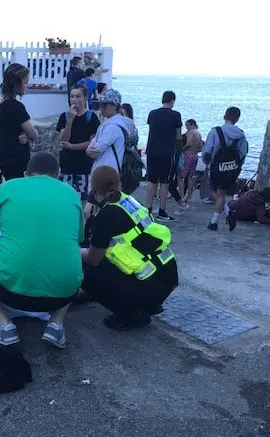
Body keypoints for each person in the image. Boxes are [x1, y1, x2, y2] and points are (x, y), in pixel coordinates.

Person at [0, 153, 84, 349]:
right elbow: (78, 240)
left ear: (26, 174)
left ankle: (3, 325)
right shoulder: (71, 194)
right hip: (62, 294)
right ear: (56, 176)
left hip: (12, 291)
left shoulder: (7, 188)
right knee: (72, 261)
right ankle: (56, 324)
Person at [81, 166, 178, 330]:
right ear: (119, 183)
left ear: (94, 188)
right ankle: (147, 305)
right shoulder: (131, 202)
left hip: (146, 285)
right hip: (167, 276)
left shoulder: (105, 216)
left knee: (83, 267)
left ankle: (129, 316)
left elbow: (93, 258)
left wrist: (74, 251)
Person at [203, 107, 249, 231]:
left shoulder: (215, 131)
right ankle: (226, 214)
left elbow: (207, 151)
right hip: (231, 168)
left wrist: (207, 163)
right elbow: (243, 153)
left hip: (215, 167)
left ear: (225, 116)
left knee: (212, 191)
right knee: (221, 193)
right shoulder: (241, 134)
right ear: (237, 119)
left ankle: (215, 222)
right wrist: (236, 167)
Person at [56, 83, 100, 200]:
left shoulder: (91, 118)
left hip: (84, 167)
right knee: (64, 200)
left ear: (85, 98)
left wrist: (72, 147)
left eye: (78, 96)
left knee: (82, 201)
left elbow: (92, 143)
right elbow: (63, 140)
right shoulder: (64, 116)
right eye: (72, 96)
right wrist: (70, 120)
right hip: (66, 167)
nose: (74, 99)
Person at [144, 91, 183, 221]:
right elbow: (178, 136)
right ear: (172, 100)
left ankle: (148, 209)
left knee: (151, 181)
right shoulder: (176, 115)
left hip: (152, 150)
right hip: (167, 152)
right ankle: (161, 211)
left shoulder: (152, 114)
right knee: (165, 182)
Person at [0, 63, 38, 181]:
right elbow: (34, 134)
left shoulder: (2, 102)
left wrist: (26, 136)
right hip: (15, 159)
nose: (26, 86)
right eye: (25, 83)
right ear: (16, 83)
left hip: (4, 155)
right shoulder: (16, 106)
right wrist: (28, 135)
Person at [180, 119, 203, 202]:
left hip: (187, 155)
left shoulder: (191, 133)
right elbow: (201, 147)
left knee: (181, 176)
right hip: (195, 156)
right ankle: (189, 196)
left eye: (187, 125)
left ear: (192, 124)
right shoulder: (198, 134)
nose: (187, 128)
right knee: (190, 177)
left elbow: (189, 143)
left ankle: (182, 195)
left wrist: (182, 150)